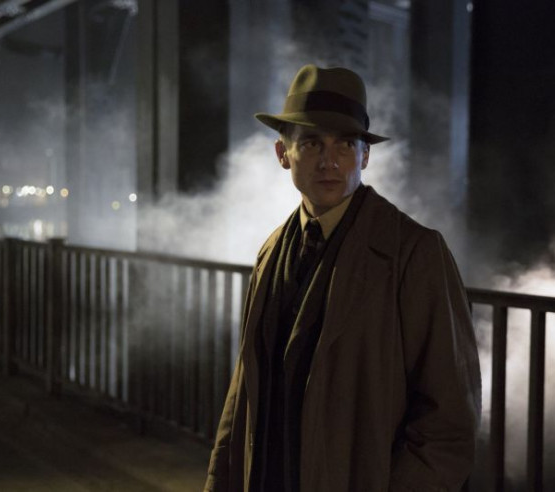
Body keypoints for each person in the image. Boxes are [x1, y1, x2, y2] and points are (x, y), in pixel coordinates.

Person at [204, 64, 481, 492]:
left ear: (365, 157)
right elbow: (242, 396)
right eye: (312, 143)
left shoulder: (413, 252)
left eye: (346, 144)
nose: (329, 161)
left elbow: (449, 419)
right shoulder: (272, 251)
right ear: (283, 154)